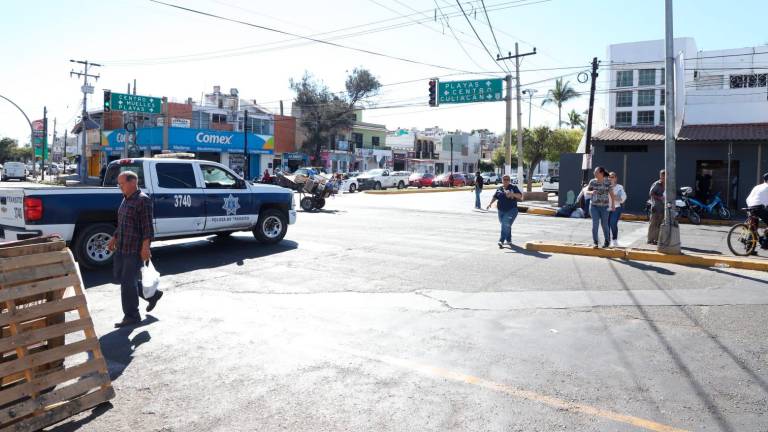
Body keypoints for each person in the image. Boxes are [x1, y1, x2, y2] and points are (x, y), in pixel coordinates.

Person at [107, 171, 163, 328]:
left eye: (122, 184)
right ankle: (153, 295)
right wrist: (114, 237)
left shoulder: (143, 201)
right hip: (122, 246)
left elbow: (147, 227)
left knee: (127, 283)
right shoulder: (125, 199)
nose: (119, 187)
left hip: (134, 249)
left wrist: (145, 247)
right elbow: (123, 223)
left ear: (132, 182)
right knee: (120, 277)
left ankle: (131, 316)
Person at [487, 175, 523, 247]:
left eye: (507, 179)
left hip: (511, 210)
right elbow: (495, 196)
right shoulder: (500, 188)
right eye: (504, 179)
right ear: (502, 180)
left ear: (509, 181)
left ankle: (501, 240)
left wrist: (512, 194)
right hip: (501, 210)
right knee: (505, 225)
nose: (505, 181)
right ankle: (509, 240)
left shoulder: (513, 187)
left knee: (505, 224)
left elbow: (520, 196)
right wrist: (490, 203)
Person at [587, 167, 617, 248]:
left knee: (604, 225)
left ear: (601, 173)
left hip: (604, 207)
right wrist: (591, 192)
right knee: (595, 224)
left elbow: (611, 194)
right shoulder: (592, 182)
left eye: (596, 172)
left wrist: (613, 205)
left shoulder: (608, 181)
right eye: (594, 172)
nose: (594, 173)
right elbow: (587, 191)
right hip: (594, 206)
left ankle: (607, 241)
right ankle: (595, 242)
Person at [608, 172, 627, 247]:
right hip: (606, 208)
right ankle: (607, 240)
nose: (610, 178)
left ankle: (614, 239)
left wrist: (613, 196)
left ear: (616, 178)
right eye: (609, 177)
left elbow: (622, 198)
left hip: (616, 208)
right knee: (606, 225)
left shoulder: (619, 187)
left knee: (613, 223)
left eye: (612, 177)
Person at [647, 169, 666, 245]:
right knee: (653, 223)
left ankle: (656, 240)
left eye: (664, 177)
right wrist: (659, 197)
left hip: (663, 207)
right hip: (656, 206)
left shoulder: (668, 184)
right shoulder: (657, 184)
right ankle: (650, 239)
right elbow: (651, 193)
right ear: (660, 176)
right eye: (662, 176)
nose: (663, 178)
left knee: (660, 224)